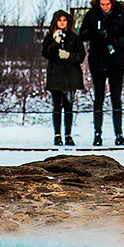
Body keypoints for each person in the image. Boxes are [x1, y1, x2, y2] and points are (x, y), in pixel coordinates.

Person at [78, 0, 124, 147]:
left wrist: (115, 41)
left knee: (116, 99)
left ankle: (119, 134)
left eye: (107, 4)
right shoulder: (92, 14)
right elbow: (82, 34)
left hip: (116, 62)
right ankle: (97, 134)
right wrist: (95, 32)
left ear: (112, 2)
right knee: (99, 99)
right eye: (102, 4)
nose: (105, 7)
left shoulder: (122, 14)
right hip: (98, 62)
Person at [41, 9, 84, 146]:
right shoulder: (50, 37)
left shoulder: (75, 37)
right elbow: (46, 54)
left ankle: (68, 135)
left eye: (64, 20)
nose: (62, 23)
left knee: (69, 107)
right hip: (55, 77)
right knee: (57, 107)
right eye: (59, 20)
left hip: (70, 77)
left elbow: (81, 56)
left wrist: (69, 56)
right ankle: (57, 135)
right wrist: (55, 43)